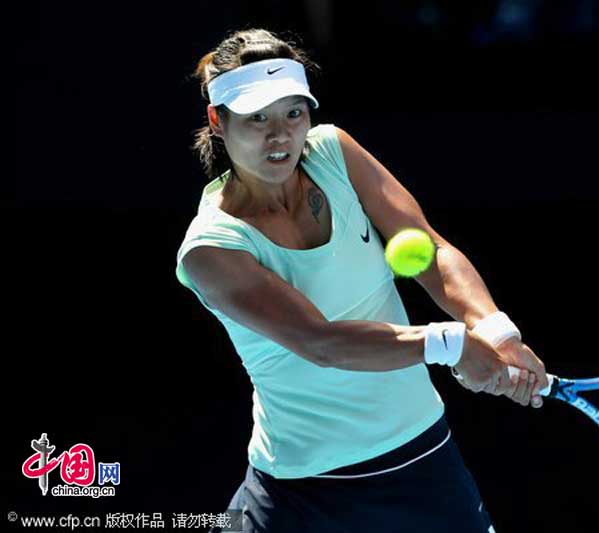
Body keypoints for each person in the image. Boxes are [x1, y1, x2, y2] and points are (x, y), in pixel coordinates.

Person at [176, 28, 547, 533]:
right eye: (256, 118)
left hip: (422, 460)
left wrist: (497, 331)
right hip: (301, 495)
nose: (279, 135)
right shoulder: (211, 248)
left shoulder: (336, 153)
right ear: (218, 122)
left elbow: (430, 250)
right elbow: (321, 341)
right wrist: (452, 342)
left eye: (293, 112)